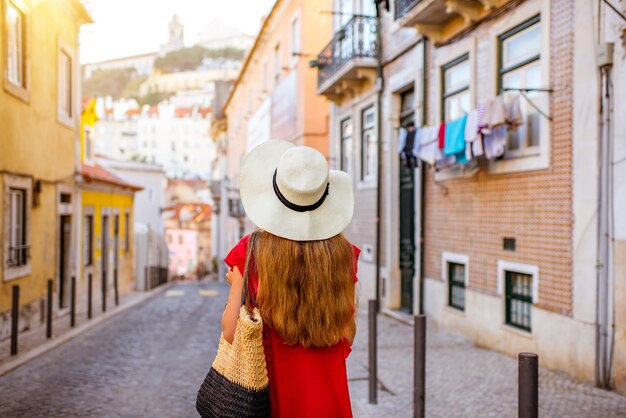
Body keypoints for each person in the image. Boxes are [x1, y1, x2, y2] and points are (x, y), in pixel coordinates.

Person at [220, 140, 360, 418]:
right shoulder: (343, 254)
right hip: (329, 396)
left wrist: (237, 284)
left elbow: (231, 332)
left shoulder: (250, 252)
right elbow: (349, 333)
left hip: (272, 395)